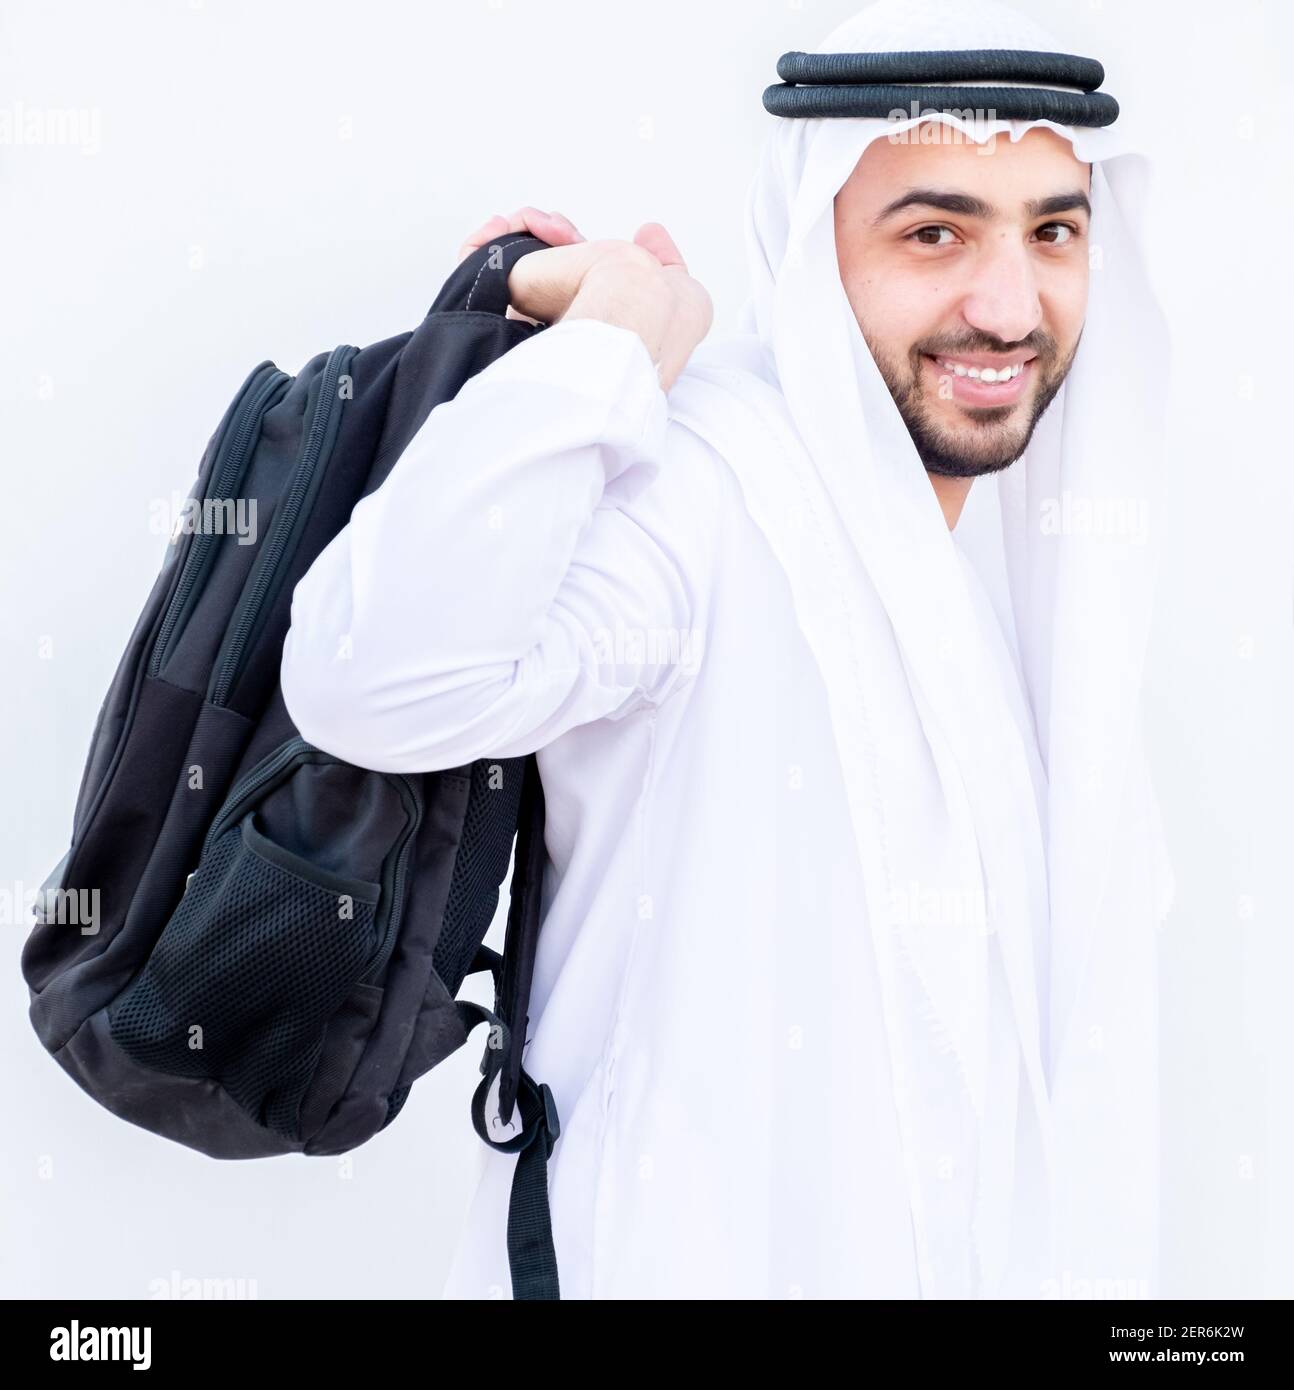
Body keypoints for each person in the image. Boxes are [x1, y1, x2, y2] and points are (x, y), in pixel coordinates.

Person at [280, 0, 1174, 1299]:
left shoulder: (967, 579)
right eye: (933, 231)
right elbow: (371, 682)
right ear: (810, 248)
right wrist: (596, 345)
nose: (1006, 300)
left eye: (1052, 231)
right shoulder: (700, 485)